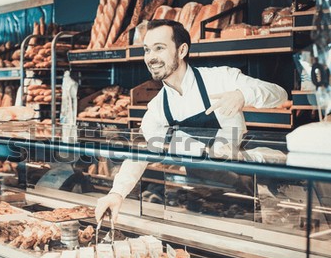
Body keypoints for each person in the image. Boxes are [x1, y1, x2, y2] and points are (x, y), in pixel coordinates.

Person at [95, 19, 288, 223]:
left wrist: (243, 94)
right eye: (147, 50)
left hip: (245, 192)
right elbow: (141, 153)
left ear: (182, 50)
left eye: (159, 48)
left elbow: (280, 94)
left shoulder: (220, 78)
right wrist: (117, 193)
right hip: (198, 197)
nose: (151, 57)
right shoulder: (157, 108)